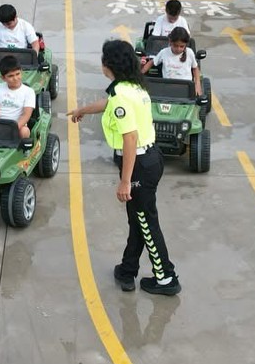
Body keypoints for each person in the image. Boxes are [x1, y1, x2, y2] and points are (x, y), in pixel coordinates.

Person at [69, 39, 180, 296]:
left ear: (108, 65)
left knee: (146, 222)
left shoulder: (121, 94)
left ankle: (166, 277)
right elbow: (108, 103)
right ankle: (127, 270)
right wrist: (82, 109)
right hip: (151, 159)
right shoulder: (132, 87)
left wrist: (125, 181)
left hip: (138, 164)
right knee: (138, 220)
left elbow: (129, 137)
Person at [141, 27, 202, 96]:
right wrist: (140, 73)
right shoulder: (164, 52)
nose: (178, 49)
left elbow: (195, 68)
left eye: (181, 46)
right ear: (170, 42)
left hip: (185, 89)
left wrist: (197, 84)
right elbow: (151, 62)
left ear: (186, 45)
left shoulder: (189, 53)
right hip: (167, 88)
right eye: (175, 46)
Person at [0, 55, 36, 138]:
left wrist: (12, 129)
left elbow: (26, 115)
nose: (15, 78)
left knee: (25, 131)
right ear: (3, 78)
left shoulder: (29, 91)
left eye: (17, 74)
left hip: (18, 125)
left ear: (21, 72)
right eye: (10, 76)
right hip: (0, 124)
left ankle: (23, 150)